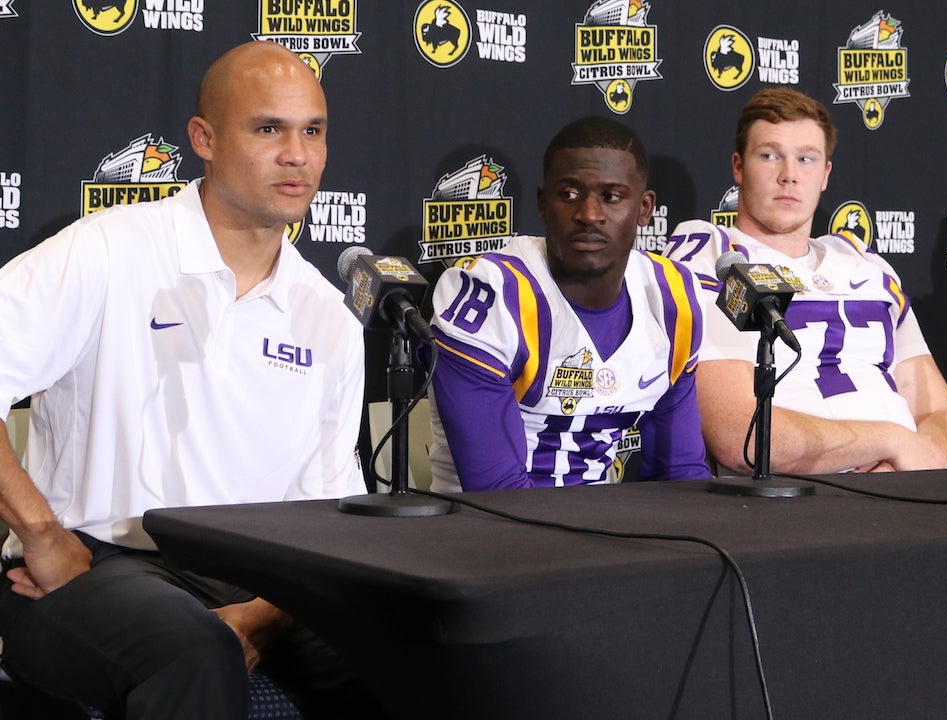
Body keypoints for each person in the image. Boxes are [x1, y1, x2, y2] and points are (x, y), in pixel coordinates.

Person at [0, 41, 374, 718]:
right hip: (99, 568)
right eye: (269, 129)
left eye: (311, 131)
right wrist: (44, 536)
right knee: (193, 650)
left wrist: (260, 617)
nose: (297, 155)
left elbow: (325, 519)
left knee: (423, 649)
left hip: (264, 582)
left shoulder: (329, 319)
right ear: (203, 138)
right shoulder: (108, 250)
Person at [663, 88, 947, 476]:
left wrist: (924, 459)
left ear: (825, 174)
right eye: (769, 155)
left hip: (906, 489)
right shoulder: (715, 257)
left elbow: (940, 413)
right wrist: (894, 441)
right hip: (797, 506)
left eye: (806, 159)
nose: (789, 174)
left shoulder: (864, 264)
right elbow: (742, 435)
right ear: (738, 167)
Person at [427, 117, 710, 491]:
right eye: (570, 194)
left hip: (607, 529)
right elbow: (497, 491)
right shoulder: (494, 293)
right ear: (543, 204)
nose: (589, 215)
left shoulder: (672, 297)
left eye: (611, 196)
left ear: (644, 209)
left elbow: (681, 474)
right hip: (484, 534)